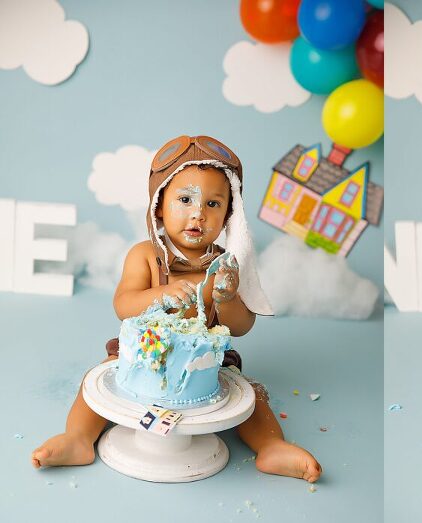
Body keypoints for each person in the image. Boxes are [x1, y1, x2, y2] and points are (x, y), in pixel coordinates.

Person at [32, 135, 322, 482]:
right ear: (158, 206)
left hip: (206, 366)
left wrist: (226, 299)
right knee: (98, 378)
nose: (198, 213)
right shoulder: (145, 256)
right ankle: (79, 438)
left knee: (253, 394)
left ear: (229, 215)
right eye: (185, 199)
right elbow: (124, 305)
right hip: (143, 355)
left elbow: (241, 327)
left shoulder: (225, 266)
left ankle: (271, 447)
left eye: (213, 204)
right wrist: (161, 294)